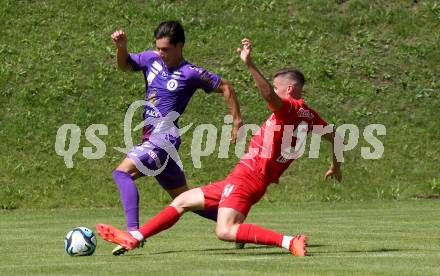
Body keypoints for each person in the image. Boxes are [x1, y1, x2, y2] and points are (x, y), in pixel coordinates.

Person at [97, 38, 342, 257]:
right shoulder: (308, 115)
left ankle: (290, 242)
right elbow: (335, 136)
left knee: (225, 230)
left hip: (249, 177)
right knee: (182, 200)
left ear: (289, 90)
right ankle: (134, 238)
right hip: (244, 177)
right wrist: (335, 164)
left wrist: (250, 64)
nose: (276, 91)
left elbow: (268, 95)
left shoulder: (288, 108)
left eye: (279, 87)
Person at [109, 21, 242, 255]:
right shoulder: (151, 60)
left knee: (122, 173)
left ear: (180, 46)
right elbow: (124, 65)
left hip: (163, 139)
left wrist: (236, 121)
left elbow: (226, 86)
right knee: (184, 199)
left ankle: (132, 234)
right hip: (153, 138)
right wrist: (122, 47)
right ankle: (236, 225)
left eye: (166, 49)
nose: (161, 53)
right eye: (158, 48)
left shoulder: (190, 73)